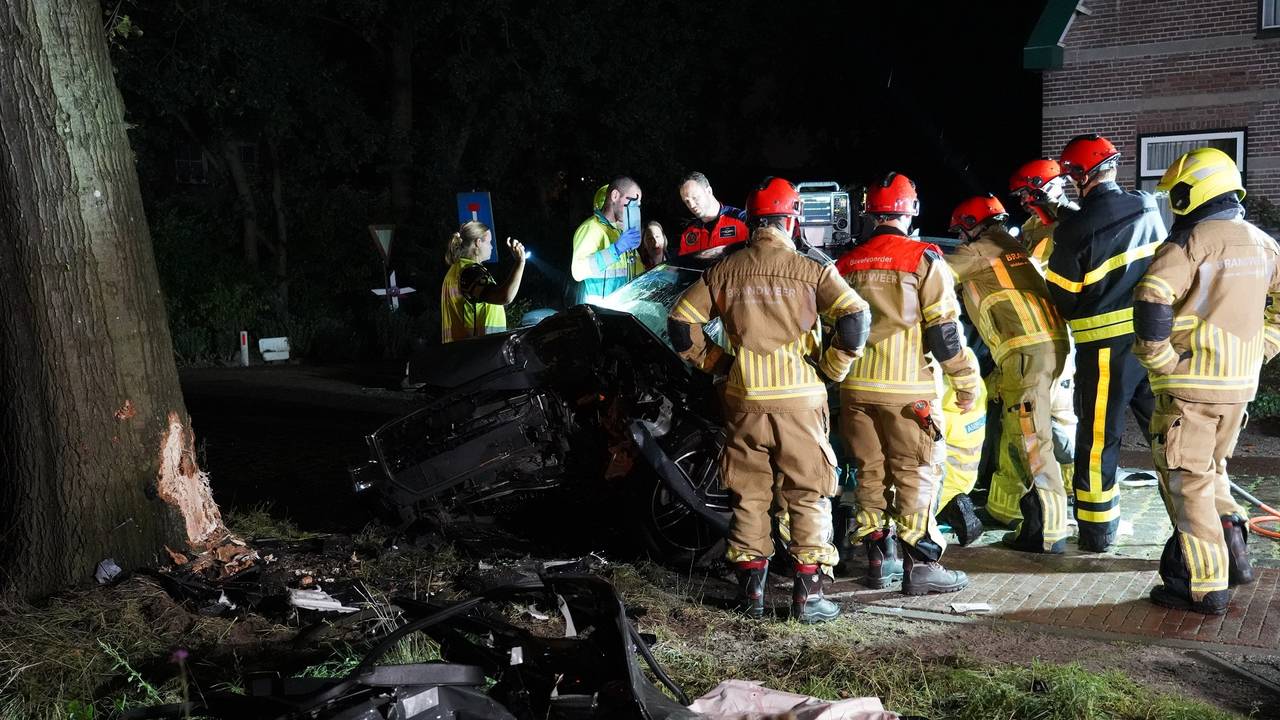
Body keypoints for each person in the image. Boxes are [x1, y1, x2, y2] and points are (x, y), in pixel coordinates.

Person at [667, 177, 870, 623]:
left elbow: (681, 324)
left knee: (749, 495)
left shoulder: (724, 270)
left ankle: (752, 594)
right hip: (799, 402)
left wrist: (719, 364)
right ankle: (808, 594)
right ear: (791, 219)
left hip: (743, 401)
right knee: (808, 492)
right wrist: (831, 370)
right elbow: (856, 317)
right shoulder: (811, 269)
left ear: (753, 222)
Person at [1133, 147, 1280, 614]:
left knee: (1187, 483)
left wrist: (1159, 361)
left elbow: (1153, 297)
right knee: (1213, 472)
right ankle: (1236, 560)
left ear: (1194, 190)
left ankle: (1204, 585)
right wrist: (1264, 348)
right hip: (1239, 388)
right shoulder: (1263, 243)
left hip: (1191, 388)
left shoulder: (1191, 242)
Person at [834, 172, 978, 595]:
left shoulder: (846, 263)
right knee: (918, 473)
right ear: (911, 210)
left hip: (856, 389)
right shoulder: (923, 259)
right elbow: (945, 334)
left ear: (869, 214)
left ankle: (879, 559)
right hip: (907, 391)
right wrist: (966, 381)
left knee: (870, 472)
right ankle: (922, 564)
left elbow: (831, 327)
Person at [1048, 134, 1166, 552]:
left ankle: (1097, 533)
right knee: (1169, 435)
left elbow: (1062, 297)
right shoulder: (1148, 204)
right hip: (1155, 346)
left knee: (1099, 441)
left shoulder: (1074, 229)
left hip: (1104, 352)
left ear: (1081, 175)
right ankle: (1196, 520)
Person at [948, 194, 1071, 553]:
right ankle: (1021, 513)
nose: (959, 239)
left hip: (1025, 354)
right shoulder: (1013, 247)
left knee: (1033, 439)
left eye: (960, 232)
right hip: (1042, 351)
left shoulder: (980, 251)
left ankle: (1049, 532)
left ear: (971, 227)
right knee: (1021, 427)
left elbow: (932, 276)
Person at [440, 221, 526, 343]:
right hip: (479, 352)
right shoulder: (470, 273)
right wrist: (520, 262)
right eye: (489, 242)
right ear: (478, 243)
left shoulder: (456, 270)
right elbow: (505, 297)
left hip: (463, 352)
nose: (491, 247)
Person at [571, 176, 646, 304]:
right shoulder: (590, 228)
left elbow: (639, 274)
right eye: (632, 202)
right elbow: (578, 271)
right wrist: (615, 249)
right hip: (599, 316)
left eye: (637, 206)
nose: (634, 209)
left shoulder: (621, 233)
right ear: (615, 196)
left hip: (623, 314)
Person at [1009, 158, 1079, 273]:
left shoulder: (1074, 220)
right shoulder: (1030, 224)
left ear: (1043, 189)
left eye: (1024, 194)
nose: (1022, 201)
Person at [677, 171, 749, 257]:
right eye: (687, 201)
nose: (691, 205)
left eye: (695, 198)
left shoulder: (743, 219)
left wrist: (728, 249)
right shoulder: (689, 232)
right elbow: (683, 266)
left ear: (709, 191)